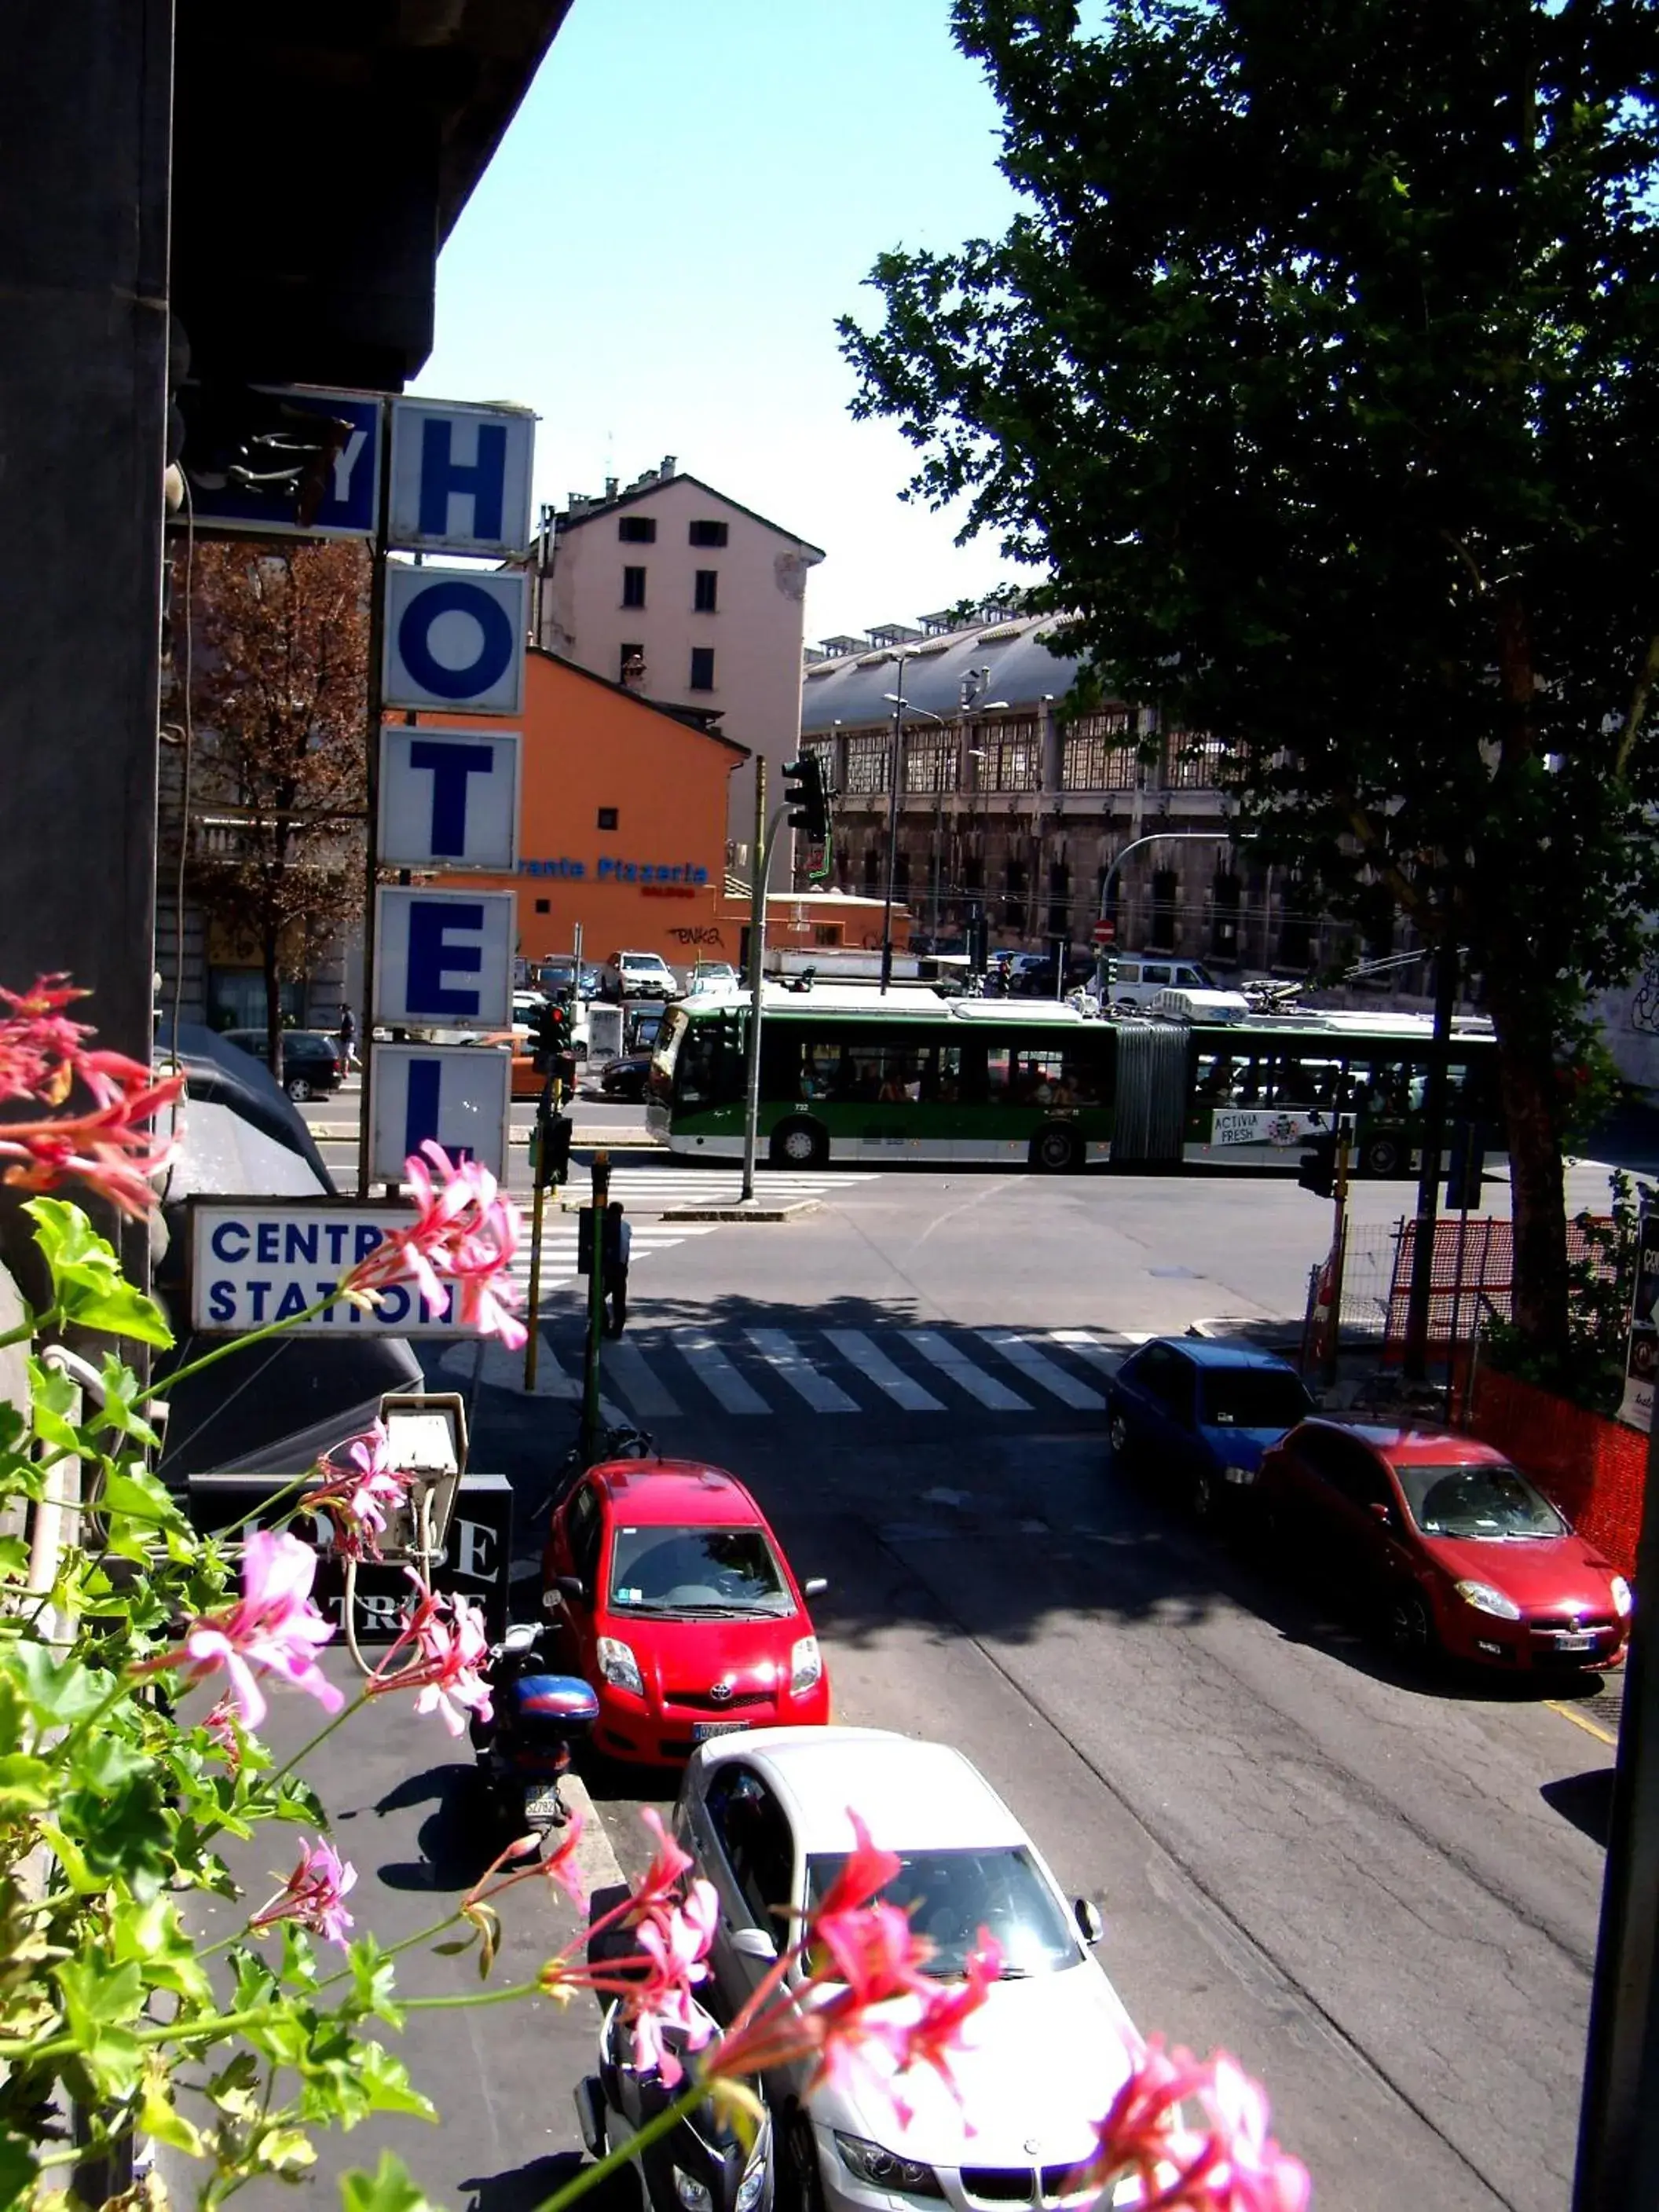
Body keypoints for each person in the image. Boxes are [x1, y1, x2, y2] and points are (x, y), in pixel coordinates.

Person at [337, 1006, 357, 1073]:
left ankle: (361, 1066)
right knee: (344, 1055)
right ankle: (344, 1071)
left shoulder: (349, 1017)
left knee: (349, 1055)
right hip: (346, 1039)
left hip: (349, 1039)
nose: (341, 1010)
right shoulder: (347, 1016)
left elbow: (351, 1029)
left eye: (342, 1008)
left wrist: (343, 1033)